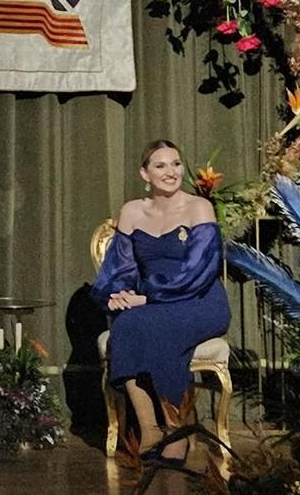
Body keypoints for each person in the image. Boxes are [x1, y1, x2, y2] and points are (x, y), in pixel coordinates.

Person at [92, 140, 229, 469]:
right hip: (152, 302)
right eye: (161, 166)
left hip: (199, 300)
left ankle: (177, 430)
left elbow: (199, 271)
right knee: (126, 325)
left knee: (155, 326)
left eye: (176, 164)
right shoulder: (132, 212)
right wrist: (116, 294)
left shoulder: (199, 208)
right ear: (145, 173)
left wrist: (147, 296)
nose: (171, 172)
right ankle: (151, 429)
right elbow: (118, 269)